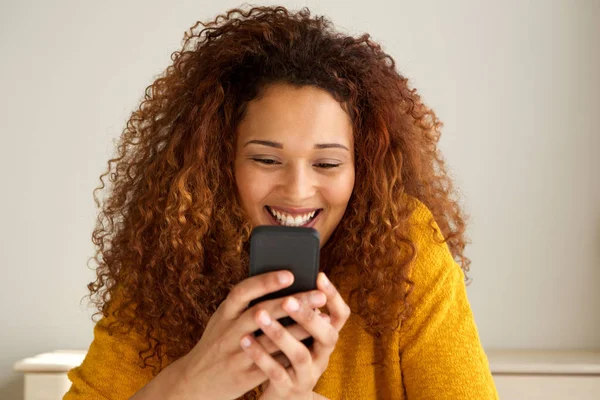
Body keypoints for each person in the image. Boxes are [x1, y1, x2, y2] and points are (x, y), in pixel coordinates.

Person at [64, 5, 498, 400]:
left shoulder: (407, 248)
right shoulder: (170, 254)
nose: (296, 190)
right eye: (267, 159)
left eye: (327, 163)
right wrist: (191, 383)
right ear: (221, 161)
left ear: (359, 170)